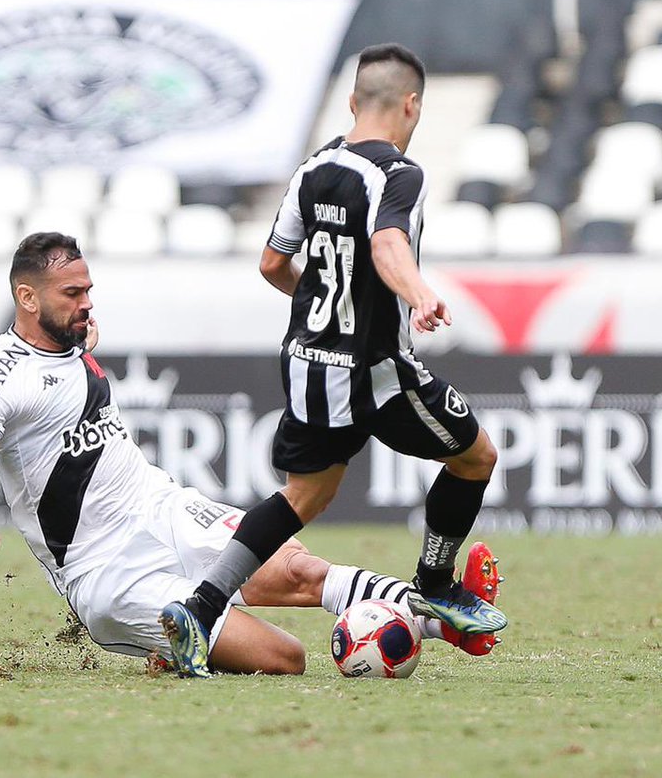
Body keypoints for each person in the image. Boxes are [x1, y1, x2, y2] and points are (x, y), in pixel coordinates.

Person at [0, 231, 487, 676]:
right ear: (27, 298)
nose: (86, 303)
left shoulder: (71, 335)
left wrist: (79, 333)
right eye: (71, 294)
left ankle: (442, 621)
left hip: (162, 509)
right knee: (286, 658)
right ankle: (164, 644)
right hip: (106, 570)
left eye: (87, 290)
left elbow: (66, 367)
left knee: (299, 568)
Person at [162, 43, 507, 677]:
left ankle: (200, 607)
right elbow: (386, 244)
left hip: (308, 361)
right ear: (412, 105)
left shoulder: (312, 169)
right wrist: (418, 293)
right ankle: (435, 582)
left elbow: (273, 262)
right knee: (475, 457)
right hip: (375, 371)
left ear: (352, 102)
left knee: (304, 495)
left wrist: (322, 303)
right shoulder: (398, 174)